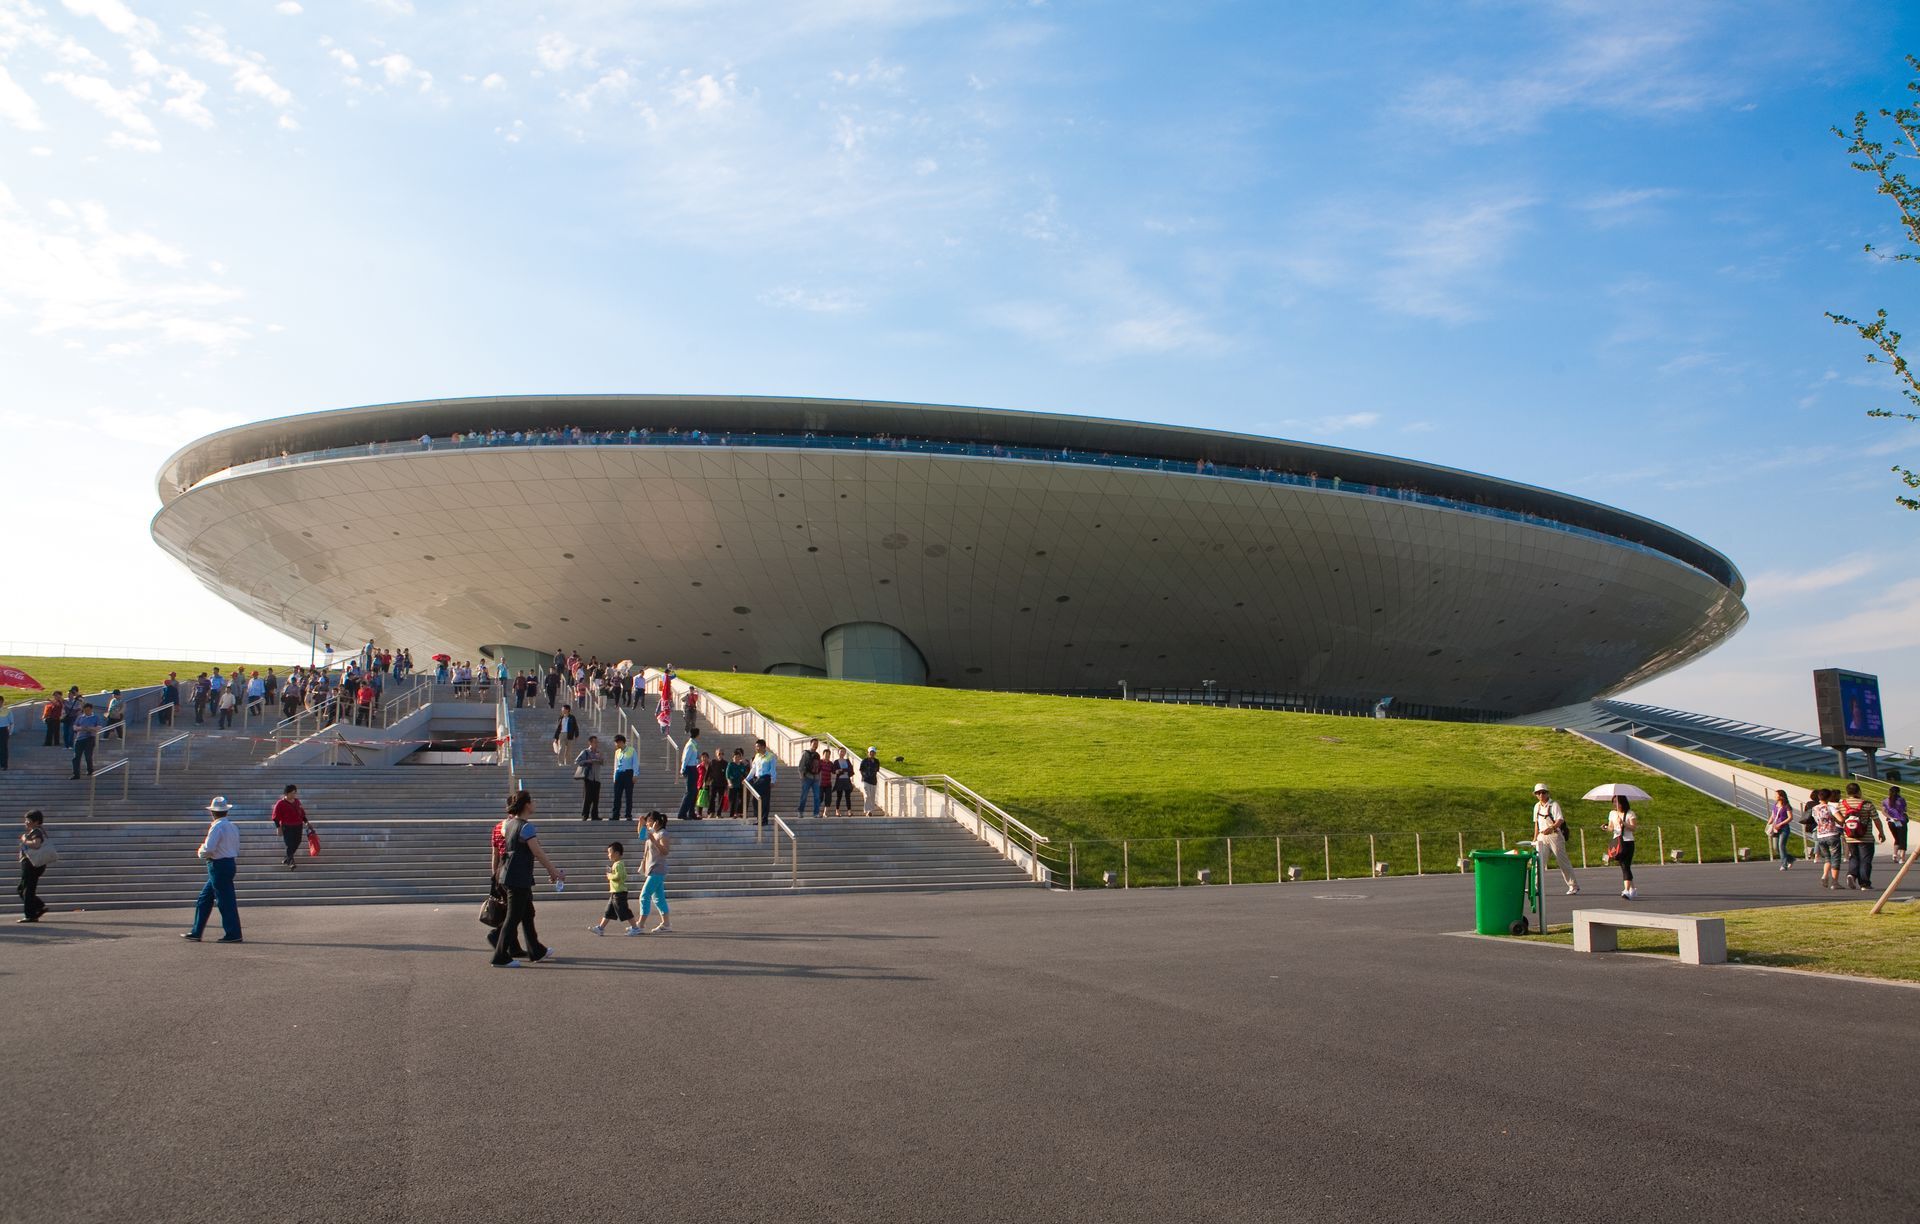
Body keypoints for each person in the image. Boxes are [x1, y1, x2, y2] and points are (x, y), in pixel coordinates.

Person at [491, 790, 563, 967]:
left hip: (508, 875)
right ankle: (500, 956)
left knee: (527, 913)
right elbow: (537, 852)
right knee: (513, 917)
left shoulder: (508, 825)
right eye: (532, 801)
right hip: (518, 877)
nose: (535, 803)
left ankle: (536, 950)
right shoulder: (526, 827)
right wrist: (554, 872)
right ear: (526, 805)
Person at [184, 796, 243, 943]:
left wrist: (200, 852)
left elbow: (209, 848)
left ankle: (233, 933)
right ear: (226, 812)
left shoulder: (217, 827)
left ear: (212, 812)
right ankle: (197, 931)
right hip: (228, 863)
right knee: (205, 898)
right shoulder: (232, 826)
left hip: (218, 865)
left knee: (224, 900)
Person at [1525, 783, 1578, 894]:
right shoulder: (1537, 806)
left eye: (1543, 792)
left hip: (1554, 836)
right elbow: (1536, 824)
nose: (1541, 795)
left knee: (1562, 861)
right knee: (1538, 862)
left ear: (1547, 793)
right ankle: (1535, 887)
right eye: (1538, 793)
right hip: (1541, 837)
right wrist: (1535, 838)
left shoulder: (1554, 805)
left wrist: (1552, 827)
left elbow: (1560, 820)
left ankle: (1573, 885)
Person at [1838, 782, 1886, 891]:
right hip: (1866, 837)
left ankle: (1851, 874)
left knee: (1854, 857)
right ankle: (1864, 884)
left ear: (1847, 792)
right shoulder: (1867, 804)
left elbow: (1839, 819)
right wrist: (1881, 832)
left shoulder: (1842, 804)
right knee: (1865, 860)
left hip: (1849, 837)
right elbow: (1876, 820)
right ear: (1859, 791)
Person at [588, 841, 640, 936]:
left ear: (616, 853)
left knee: (624, 910)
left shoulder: (618, 864)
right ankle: (601, 928)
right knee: (609, 911)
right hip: (615, 892)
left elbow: (619, 876)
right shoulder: (617, 864)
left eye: (609, 852)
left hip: (619, 892)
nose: (608, 855)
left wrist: (610, 876)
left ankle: (635, 928)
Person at [635, 811, 671, 934]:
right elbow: (641, 836)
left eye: (649, 821)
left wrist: (654, 841)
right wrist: (641, 824)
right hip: (651, 868)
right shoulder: (652, 833)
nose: (648, 823)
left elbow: (665, 851)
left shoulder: (662, 834)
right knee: (658, 898)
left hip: (658, 869)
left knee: (644, 896)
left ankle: (640, 924)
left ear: (656, 822)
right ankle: (666, 924)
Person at [18, 810, 49, 923]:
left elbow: (36, 845)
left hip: (32, 865)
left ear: (36, 822)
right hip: (32, 865)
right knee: (22, 889)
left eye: (28, 821)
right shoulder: (36, 831)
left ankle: (30, 915)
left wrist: (24, 840)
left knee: (27, 890)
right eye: (25, 820)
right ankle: (39, 906)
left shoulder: (36, 832)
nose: (26, 822)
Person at [1812, 789, 1845, 889]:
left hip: (1821, 834)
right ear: (1829, 797)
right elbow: (1841, 820)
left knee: (1827, 858)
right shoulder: (1831, 807)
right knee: (1835, 858)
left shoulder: (1814, 809)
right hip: (1832, 833)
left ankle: (1825, 875)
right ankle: (1835, 882)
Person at [1606, 794, 1636, 901]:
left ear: (1622, 802)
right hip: (1617, 842)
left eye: (1617, 802)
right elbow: (1611, 827)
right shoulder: (1612, 813)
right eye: (1613, 802)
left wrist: (1623, 823)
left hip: (1628, 842)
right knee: (1624, 866)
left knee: (1625, 865)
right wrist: (1606, 827)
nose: (1615, 804)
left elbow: (1633, 828)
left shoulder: (1630, 813)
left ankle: (1627, 890)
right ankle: (1632, 889)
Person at [271, 784, 307, 869]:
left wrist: (306, 822)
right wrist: (278, 828)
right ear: (286, 793)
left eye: (295, 793)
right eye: (292, 793)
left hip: (298, 826)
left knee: (297, 842)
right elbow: (275, 817)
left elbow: (301, 813)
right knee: (290, 844)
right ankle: (291, 862)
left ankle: (287, 858)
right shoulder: (280, 803)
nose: (294, 795)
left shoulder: (297, 801)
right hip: (287, 826)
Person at [69, 702, 101, 780]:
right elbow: (75, 727)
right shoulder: (80, 717)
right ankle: (76, 774)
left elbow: (99, 727)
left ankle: (90, 769)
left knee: (88, 756)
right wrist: (81, 728)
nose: (87, 712)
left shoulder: (95, 717)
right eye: (85, 710)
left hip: (90, 738)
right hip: (79, 738)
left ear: (91, 710)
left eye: (88, 710)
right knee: (76, 757)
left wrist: (90, 728)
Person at [749, 738, 777, 826]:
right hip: (757, 779)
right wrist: (747, 779)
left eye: (758, 747)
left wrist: (773, 780)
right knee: (755, 799)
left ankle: (764, 819)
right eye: (756, 747)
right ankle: (758, 818)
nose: (756, 748)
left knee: (765, 800)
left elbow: (773, 770)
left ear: (763, 747)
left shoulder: (770, 756)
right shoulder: (757, 756)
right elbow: (753, 769)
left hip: (765, 778)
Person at [1766, 789, 1797, 869]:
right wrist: (1769, 823)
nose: (1775, 796)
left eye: (1776, 795)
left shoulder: (1786, 806)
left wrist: (1781, 823)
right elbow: (1773, 815)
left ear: (1781, 796)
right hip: (1775, 828)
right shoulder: (1775, 805)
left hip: (1784, 828)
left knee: (1781, 846)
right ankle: (1790, 859)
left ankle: (1784, 865)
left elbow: (1790, 818)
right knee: (1776, 847)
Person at [676, 728, 702, 820]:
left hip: (693, 768)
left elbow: (694, 756)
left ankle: (691, 813)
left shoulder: (694, 744)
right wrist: (683, 769)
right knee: (690, 792)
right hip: (690, 769)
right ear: (697, 734)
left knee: (694, 792)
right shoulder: (690, 745)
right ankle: (682, 813)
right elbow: (686, 758)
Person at [576, 735, 604, 820]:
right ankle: (585, 815)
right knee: (588, 797)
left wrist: (600, 759)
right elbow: (577, 761)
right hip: (589, 778)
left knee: (596, 798)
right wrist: (589, 761)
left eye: (597, 742)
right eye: (595, 742)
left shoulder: (598, 752)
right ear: (590, 743)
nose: (596, 744)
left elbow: (602, 762)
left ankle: (595, 815)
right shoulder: (585, 752)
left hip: (597, 778)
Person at [610, 734, 637, 822]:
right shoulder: (617, 752)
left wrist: (635, 775)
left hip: (628, 773)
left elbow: (635, 764)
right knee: (617, 795)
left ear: (621, 742)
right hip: (619, 774)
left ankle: (628, 814)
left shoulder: (631, 750)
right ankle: (615, 815)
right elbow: (615, 764)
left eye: (616, 743)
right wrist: (614, 776)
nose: (616, 745)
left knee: (628, 795)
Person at [797, 739, 822, 817]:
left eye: (817, 744)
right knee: (804, 796)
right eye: (814, 743)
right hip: (807, 777)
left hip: (816, 778)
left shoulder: (817, 755)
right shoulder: (805, 753)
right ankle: (800, 812)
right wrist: (801, 776)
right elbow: (801, 765)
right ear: (810, 744)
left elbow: (819, 767)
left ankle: (816, 813)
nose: (816, 745)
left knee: (817, 796)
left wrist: (819, 777)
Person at [1884, 785, 1908, 866]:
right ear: (1898, 792)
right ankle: (1902, 858)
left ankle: (1894, 854)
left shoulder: (1886, 801)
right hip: (1900, 821)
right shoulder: (1901, 800)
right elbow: (1905, 810)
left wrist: (1890, 817)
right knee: (1903, 839)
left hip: (1891, 822)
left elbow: (1884, 811)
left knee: (1896, 838)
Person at [726, 748, 749, 819]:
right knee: (732, 800)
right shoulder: (730, 764)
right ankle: (733, 813)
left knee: (740, 799)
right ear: (733, 758)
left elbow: (745, 774)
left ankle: (739, 813)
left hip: (740, 785)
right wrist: (729, 782)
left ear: (740, 758)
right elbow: (727, 774)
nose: (737, 758)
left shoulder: (742, 765)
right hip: (733, 785)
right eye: (735, 757)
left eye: (738, 757)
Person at [831, 748, 855, 813]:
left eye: (843, 752)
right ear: (838, 752)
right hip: (839, 781)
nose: (842, 753)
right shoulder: (836, 761)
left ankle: (849, 811)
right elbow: (833, 770)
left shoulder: (847, 761)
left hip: (847, 780)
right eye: (841, 751)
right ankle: (837, 810)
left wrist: (842, 770)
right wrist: (838, 771)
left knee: (848, 796)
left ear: (845, 753)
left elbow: (851, 770)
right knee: (839, 796)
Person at [859, 747, 882, 814]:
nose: (872, 753)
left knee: (872, 796)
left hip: (874, 781)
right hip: (866, 780)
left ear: (875, 753)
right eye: (870, 752)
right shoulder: (864, 761)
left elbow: (877, 770)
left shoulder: (877, 761)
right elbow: (861, 769)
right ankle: (866, 810)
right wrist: (863, 776)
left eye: (873, 752)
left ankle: (870, 811)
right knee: (867, 795)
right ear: (868, 753)